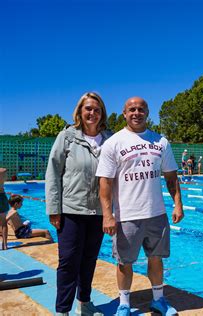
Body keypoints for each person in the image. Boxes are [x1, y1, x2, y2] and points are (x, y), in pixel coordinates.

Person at [96, 97, 184, 316]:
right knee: (125, 262)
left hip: (156, 213)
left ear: (147, 113)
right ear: (124, 114)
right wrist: (108, 215)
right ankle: (124, 304)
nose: (137, 113)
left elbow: (171, 177)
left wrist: (178, 204)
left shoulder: (160, 141)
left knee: (156, 259)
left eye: (141, 109)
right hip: (127, 215)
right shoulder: (114, 143)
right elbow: (105, 182)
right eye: (132, 109)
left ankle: (158, 300)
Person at [45, 92, 110, 315]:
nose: (92, 113)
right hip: (72, 209)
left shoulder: (109, 140)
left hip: (99, 211)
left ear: (102, 113)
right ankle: (62, 310)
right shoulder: (67, 137)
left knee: (89, 259)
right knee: (68, 262)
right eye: (88, 108)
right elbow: (53, 173)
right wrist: (54, 208)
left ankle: (85, 303)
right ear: (80, 112)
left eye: (97, 109)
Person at [0, 168, 9, 250]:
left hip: (2, 198)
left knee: (3, 223)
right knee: (3, 223)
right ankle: (5, 245)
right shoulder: (2, 172)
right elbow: (5, 169)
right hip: (2, 197)